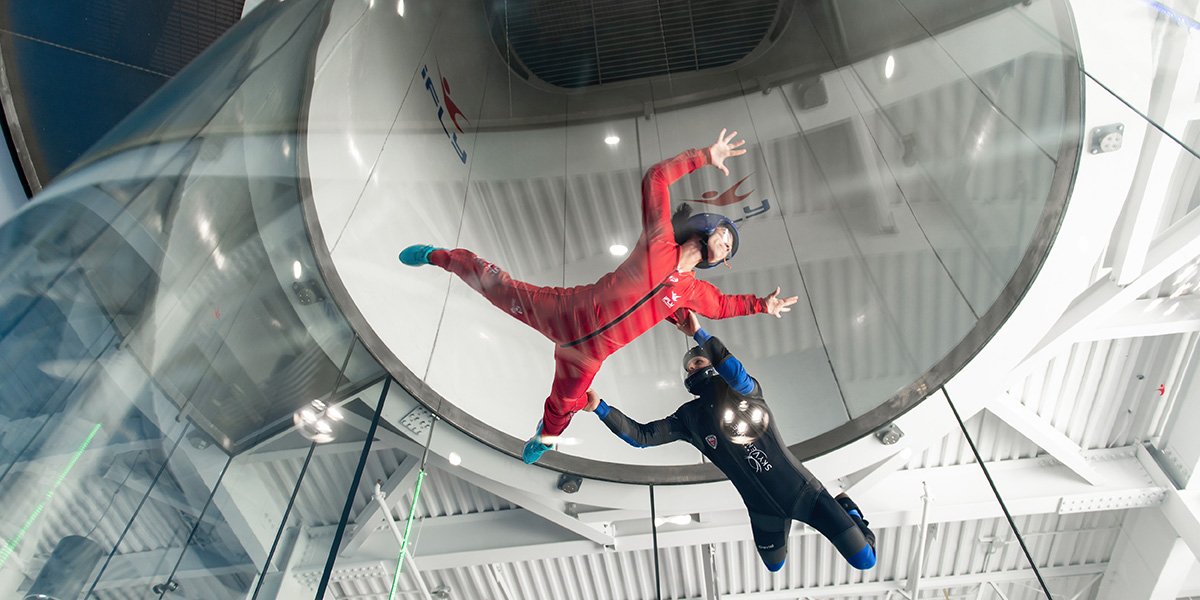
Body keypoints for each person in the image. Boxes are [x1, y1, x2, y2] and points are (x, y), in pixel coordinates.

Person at [399, 129, 799, 464]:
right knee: (498, 287)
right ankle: (441, 257)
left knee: (563, 404)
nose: (726, 244)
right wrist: (705, 155)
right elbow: (655, 179)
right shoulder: (659, 241)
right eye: (726, 234)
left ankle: (546, 437)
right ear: (707, 226)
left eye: (731, 248)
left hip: (591, 353)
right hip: (566, 310)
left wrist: (764, 305)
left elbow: (727, 306)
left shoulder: (693, 291)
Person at [583, 311, 876, 572]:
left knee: (865, 560)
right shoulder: (688, 417)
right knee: (774, 565)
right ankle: (791, 525)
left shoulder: (745, 390)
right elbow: (640, 437)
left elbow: (732, 370)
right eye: (688, 366)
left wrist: (699, 334)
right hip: (762, 509)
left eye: (698, 360)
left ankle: (847, 506)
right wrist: (599, 408)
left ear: (712, 363)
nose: (692, 367)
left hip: (805, 494)